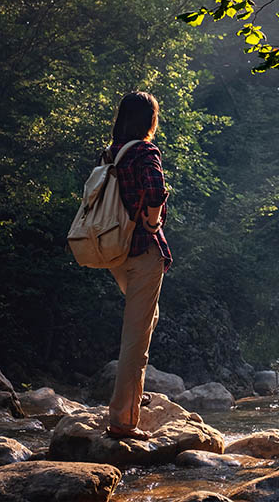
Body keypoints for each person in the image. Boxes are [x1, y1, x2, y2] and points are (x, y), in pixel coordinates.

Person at [104, 91, 172, 440]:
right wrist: (151, 222)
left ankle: (131, 396)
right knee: (136, 338)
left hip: (115, 251)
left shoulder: (112, 153)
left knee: (148, 318)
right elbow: (156, 189)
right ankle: (123, 421)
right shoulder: (145, 151)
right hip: (143, 249)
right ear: (150, 120)